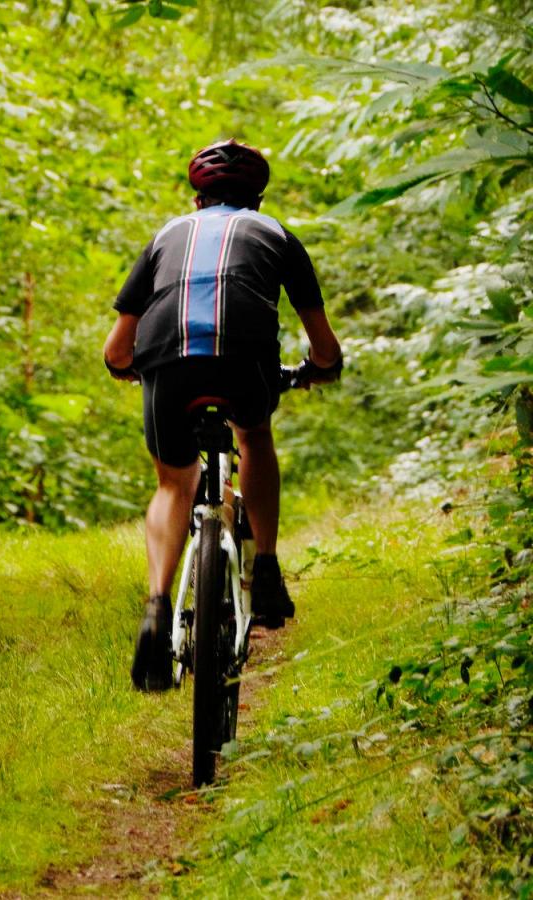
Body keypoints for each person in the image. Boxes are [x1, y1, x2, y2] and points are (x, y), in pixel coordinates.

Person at [103, 140, 343, 693]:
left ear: (196, 198)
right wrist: (316, 369)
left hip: (168, 362)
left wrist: (128, 369)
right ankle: (268, 568)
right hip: (245, 363)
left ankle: (157, 609)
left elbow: (117, 348)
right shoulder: (277, 235)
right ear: (257, 198)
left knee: (172, 485)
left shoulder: (166, 236)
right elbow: (323, 345)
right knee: (254, 434)